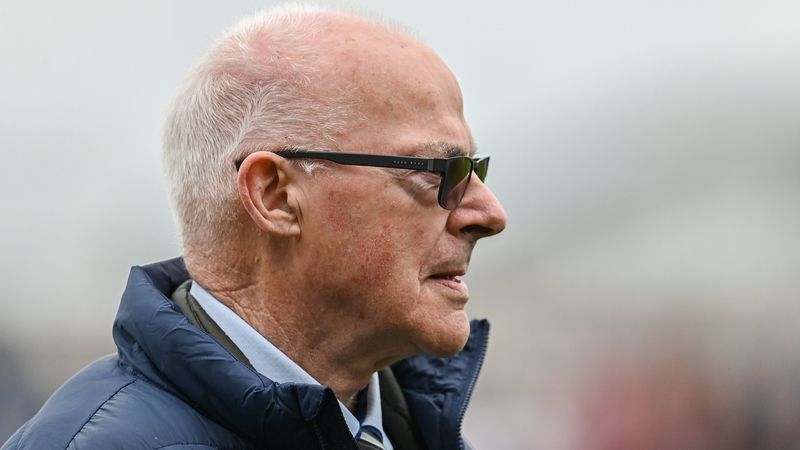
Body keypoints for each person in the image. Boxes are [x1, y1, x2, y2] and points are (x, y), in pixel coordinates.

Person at [2, 5, 506, 450]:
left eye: (474, 172)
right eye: (436, 172)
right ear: (276, 197)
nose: (489, 215)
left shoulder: (410, 428)